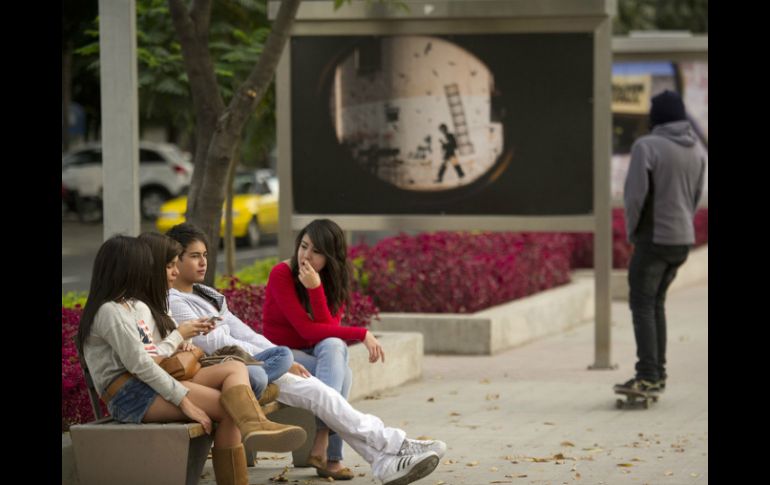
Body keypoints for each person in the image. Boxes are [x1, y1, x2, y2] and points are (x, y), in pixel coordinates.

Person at [165, 223, 446, 485]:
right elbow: (219, 344)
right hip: (233, 374)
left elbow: (245, 334)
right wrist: (278, 361)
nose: (203, 262)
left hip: (254, 365)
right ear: (175, 260)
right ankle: (392, 447)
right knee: (323, 389)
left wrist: (278, 357)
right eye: (193, 256)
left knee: (322, 390)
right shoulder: (175, 301)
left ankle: (384, 458)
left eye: (204, 254)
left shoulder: (208, 295)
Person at [76, 236, 306, 485]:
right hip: (130, 395)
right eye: (144, 265)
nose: (147, 271)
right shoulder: (109, 312)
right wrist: (184, 401)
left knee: (236, 367)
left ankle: (255, 424)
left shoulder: (129, 307)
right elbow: (142, 364)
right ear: (126, 269)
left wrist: (178, 341)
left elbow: (151, 353)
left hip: (147, 383)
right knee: (230, 409)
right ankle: (248, 439)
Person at [262, 218, 386, 479]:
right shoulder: (281, 274)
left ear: (331, 256)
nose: (306, 256)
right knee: (344, 373)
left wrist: (317, 289)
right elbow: (307, 331)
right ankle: (330, 456)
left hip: (314, 353)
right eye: (304, 246)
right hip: (283, 354)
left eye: (316, 251)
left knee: (334, 345)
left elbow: (327, 329)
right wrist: (362, 333)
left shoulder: (335, 280)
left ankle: (321, 439)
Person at [615, 90, 706, 395]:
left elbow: (635, 197)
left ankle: (648, 375)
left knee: (642, 304)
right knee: (655, 304)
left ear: (657, 116)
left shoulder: (647, 146)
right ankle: (657, 373)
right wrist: (681, 227)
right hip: (681, 240)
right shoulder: (696, 150)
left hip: (654, 239)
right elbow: (694, 198)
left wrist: (631, 233)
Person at [138, 231, 289, 405]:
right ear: (152, 268)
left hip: (189, 368)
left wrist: (184, 343)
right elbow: (149, 359)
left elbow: (167, 346)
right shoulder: (146, 307)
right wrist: (179, 336)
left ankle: (242, 394)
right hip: (178, 376)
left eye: (205, 255)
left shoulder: (164, 301)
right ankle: (242, 395)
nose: (175, 272)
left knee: (281, 356)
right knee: (256, 377)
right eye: (170, 266)